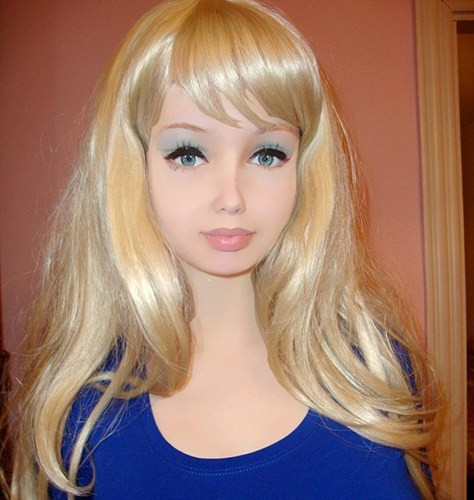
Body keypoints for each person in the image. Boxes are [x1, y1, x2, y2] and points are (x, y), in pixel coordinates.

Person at [10, 0, 441, 498]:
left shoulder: (374, 369)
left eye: (268, 154)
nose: (232, 197)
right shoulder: (81, 416)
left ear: (304, 168)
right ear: (134, 164)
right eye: (188, 154)